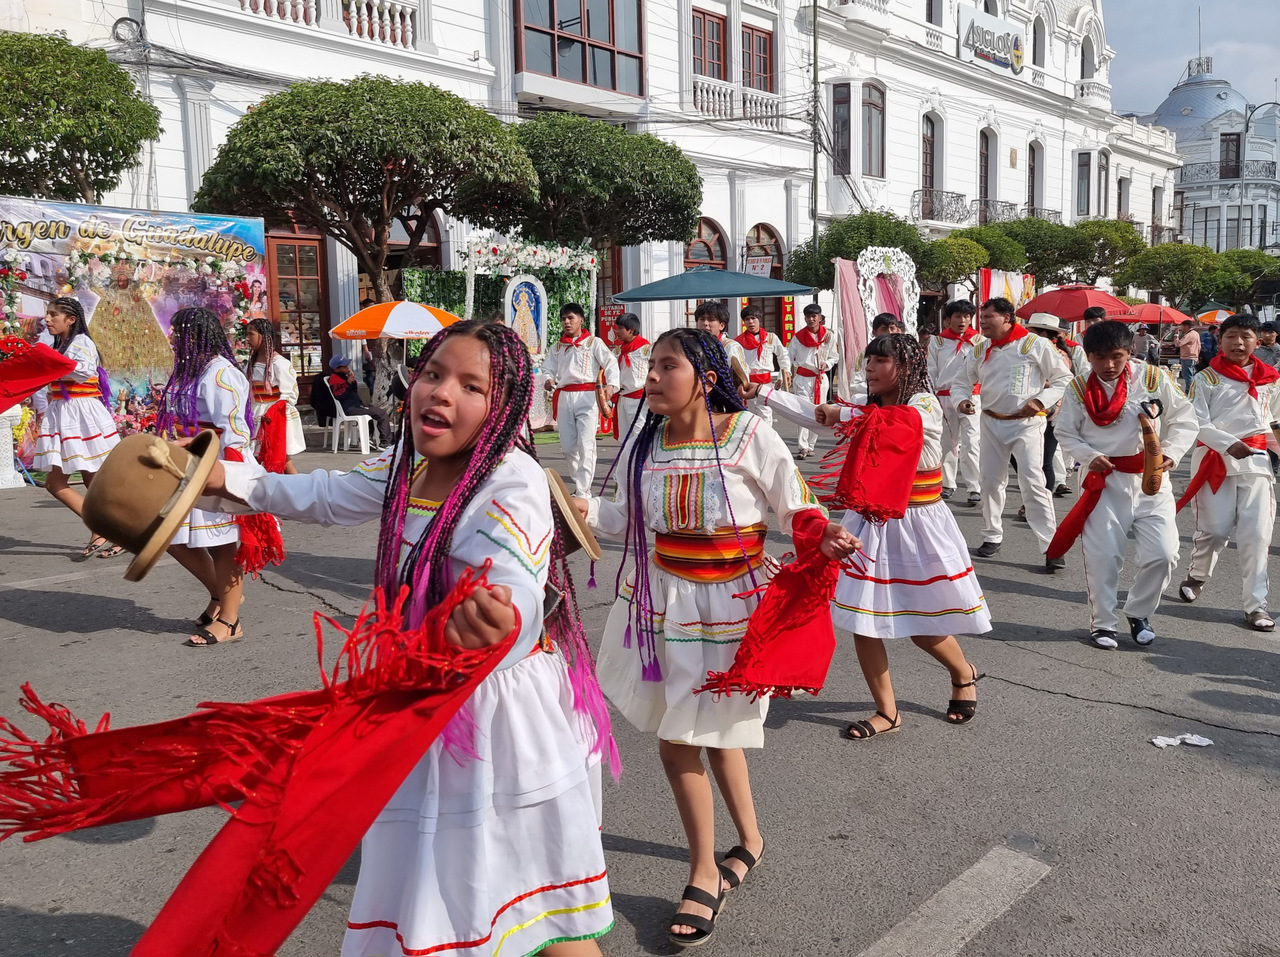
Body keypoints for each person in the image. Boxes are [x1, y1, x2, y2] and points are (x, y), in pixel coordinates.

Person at [199, 319, 615, 956]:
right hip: (421, 703)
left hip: (496, 717)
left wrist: (500, 616)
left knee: (543, 902)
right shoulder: (408, 467)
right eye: (432, 374)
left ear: (502, 407)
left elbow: (515, 576)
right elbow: (326, 492)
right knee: (445, 889)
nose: (441, 392)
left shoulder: (513, 479)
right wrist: (230, 481)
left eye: (470, 385)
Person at [580, 328, 856, 947]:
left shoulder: (749, 434)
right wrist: (572, 508)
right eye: (649, 366)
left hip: (732, 614)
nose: (650, 377)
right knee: (694, 736)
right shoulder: (647, 442)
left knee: (693, 738)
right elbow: (624, 518)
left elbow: (796, 506)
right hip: (665, 610)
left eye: (665, 366)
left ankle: (706, 872)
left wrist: (822, 534)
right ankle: (747, 844)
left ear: (705, 378)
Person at [760, 335, 991, 739]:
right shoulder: (871, 408)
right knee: (863, 620)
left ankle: (962, 671)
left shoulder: (922, 406)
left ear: (905, 366)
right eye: (868, 360)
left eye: (880, 360)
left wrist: (840, 413)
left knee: (922, 624)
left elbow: (889, 424)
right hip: (870, 522)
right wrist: (764, 393)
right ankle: (888, 711)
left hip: (918, 524)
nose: (870, 368)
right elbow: (823, 415)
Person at [1051, 321, 1198, 648]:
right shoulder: (1078, 388)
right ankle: (1103, 623)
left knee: (1164, 553)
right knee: (1105, 556)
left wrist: (1170, 454)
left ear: (1129, 352)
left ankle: (1139, 611)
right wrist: (1088, 455)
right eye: (1099, 357)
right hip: (1103, 480)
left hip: (1151, 479)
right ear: (1088, 355)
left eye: (1116, 356)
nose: (1108, 365)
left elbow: (1185, 419)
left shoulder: (1152, 378)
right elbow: (1065, 432)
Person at [157, 307, 255, 647]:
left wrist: (229, 478)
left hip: (216, 466)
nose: (171, 338)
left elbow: (234, 432)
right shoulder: (192, 371)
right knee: (169, 535)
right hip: (188, 465)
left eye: (177, 332)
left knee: (224, 543)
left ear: (195, 336)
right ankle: (221, 596)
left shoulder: (220, 373)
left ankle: (230, 620)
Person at [1176, 313, 1280, 631]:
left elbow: (1276, 421)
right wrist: (1226, 443)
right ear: (1219, 340)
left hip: (1257, 462)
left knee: (1257, 535)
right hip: (1216, 461)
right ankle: (1198, 575)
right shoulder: (1207, 378)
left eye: (1245, 336)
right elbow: (1197, 422)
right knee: (1215, 531)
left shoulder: (1271, 379)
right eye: (1231, 336)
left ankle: (1256, 606)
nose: (1238, 342)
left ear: (1257, 341)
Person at [957, 298, 1072, 572]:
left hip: (1027, 424)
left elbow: (1063, 379)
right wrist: (961, 400)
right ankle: (992, 534)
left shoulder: (1035, 344)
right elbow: (962, 380)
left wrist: (1041, 401)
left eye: (988, 316)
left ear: (1007, 318)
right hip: (991, 421)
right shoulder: (980, 349)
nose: (982, 321)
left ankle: (1051, 546)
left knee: (1033, 482)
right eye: (981, 317)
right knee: (990, 481)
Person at [31, 297, 123, 559]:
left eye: (52, 315)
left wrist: (49, 361)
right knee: (66, 482)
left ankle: (110, 530)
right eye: (47, 314)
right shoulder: (59, 344)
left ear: (70, 319)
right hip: (63, 412)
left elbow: (85, 371)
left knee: (85, 480)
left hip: (81, 413)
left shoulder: (81, 342)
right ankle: (109, 530)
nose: (47, 319)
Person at [541, 303, 619, 496]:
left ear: (581, 320)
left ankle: (583, 490)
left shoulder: (593, 343)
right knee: (568, 447)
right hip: (565, 396)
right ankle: (578, 482)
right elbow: (547, 368)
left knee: (586, 443)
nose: (566, 322)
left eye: (571, 318)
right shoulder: (558, 346)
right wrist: (548, 379)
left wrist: (611, 385)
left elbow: (610, 363)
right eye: (563, 319)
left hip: (587, 396)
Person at [926, 300, 983, 504]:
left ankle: (974, 486)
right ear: (948, 319)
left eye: (966, 317)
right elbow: (931, 370)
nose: (962, 321)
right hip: (944, 395)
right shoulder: (937, 342)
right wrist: (931, 395)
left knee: (972, 441)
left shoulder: (979, 340)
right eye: (958, 316)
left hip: (971, 396)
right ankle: (948, 483)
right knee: (948, 442)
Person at [1025, 313, 1086, 498]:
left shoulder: (1054, 353)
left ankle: (1043, 498)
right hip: (1044, 409)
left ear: (1043, 333)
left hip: (1049, 409)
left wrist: (1040, 384)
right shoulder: (1056, 351)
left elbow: (1064, 380)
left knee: (1043, 460)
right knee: (1039, 458)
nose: (1028, 335)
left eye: (1032, 331)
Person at [245, 318, 304, 474]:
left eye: (251, 334)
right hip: (256, 412)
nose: (247, 338)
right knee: (257, 457)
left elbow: (290, 395)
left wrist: (272, 412)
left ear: (263, 336)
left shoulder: (279, 364)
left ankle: (300, 491)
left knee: (282, 459)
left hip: (275, 417)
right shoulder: (250, 363)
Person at [787, 303, 838, 458]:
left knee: (819, 410)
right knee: (803, 411)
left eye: (814, 316)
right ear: (805, 318)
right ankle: (802, 446)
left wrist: (827, 364)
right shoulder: (798, 337)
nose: (811, 319)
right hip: (803, 378)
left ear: (820, 318)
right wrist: (788, 373)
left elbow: (834, 357)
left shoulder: (828, 336)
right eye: (808, 316)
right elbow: (789, 356)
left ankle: (811, 444)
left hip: (820, 379)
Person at [735, 304, 791, 430]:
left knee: (766, 415)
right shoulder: (738, 342)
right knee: (748, 416)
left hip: (766, 383)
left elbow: (783, 356)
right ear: (744, 322)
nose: (751, 322)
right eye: (747, 319)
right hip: (747, 383)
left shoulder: (770, 338)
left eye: (753, 318)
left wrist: (784, 374)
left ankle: (767, 445)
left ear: (759, 320)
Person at [328, 355, 393, 448]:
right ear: (337, 369)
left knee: (375, 410)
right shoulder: (335, 379)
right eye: (345, 366)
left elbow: (353, 392)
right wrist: (348, 383)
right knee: (381, 414)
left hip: (356, 405)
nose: (348, 367)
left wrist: (352, 382)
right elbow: (340, 396)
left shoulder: (343, 377)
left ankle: (369, 438)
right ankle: (385, 442)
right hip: (349, 408)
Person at [614, 311, 650, 441]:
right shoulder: (618, 351)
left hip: (640, 398)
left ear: (631, 330)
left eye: (620, 328)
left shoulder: (646, 349)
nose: (617, 331)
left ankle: (641, 461)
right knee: (625, 437)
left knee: (639, 433)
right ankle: (626, 461)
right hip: (622, 398)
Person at [693, 300, 747, 369]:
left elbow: (741, 377)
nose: (705, 323)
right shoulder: (692, 345)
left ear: (722, 325)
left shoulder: (731, 347)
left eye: (711, 320)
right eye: (702, 319)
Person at [1176, 319, 1201, 393]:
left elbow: (1178, 344)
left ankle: (1189, 392)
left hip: (1187, 357)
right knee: (1192, 375)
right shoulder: (1196, 333)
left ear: (1186, 326)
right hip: (1193, 357)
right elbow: (1199, 346)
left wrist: (1176, 335)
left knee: (1188, 376)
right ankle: (1194, 390)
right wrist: (1197, 356)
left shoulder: (1189, 335)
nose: (1181, 328)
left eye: (1182, 326)